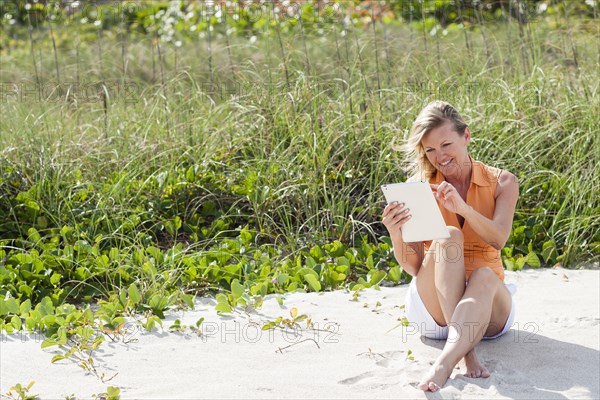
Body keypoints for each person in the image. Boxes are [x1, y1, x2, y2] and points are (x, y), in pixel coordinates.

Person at [381, 101, 519, 392]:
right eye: (430, 150)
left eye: (446, 145)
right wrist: (396, 234)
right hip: (435, 314)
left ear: (466, 136)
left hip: (488, 311)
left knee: (484, 274)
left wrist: (464, 208)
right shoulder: (418, 186)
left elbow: (498, 239)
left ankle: (447, 359)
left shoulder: (503, 182)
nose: (439, 157)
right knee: (448, 236)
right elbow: (416, 267)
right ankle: (463, 353)